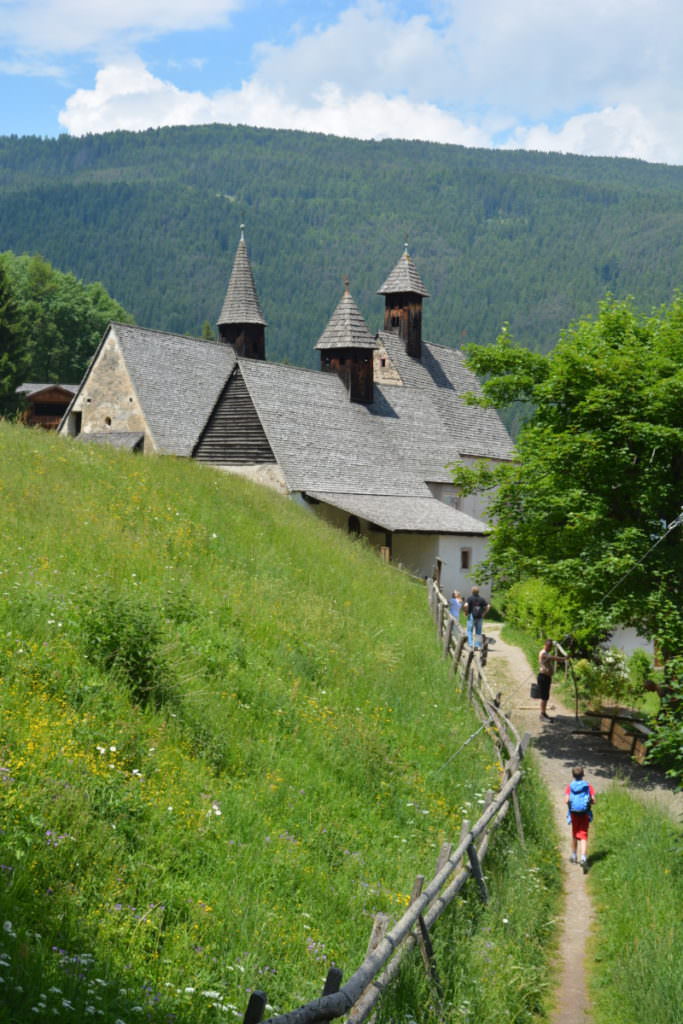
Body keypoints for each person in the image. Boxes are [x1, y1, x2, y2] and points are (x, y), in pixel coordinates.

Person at [565, 766, 595, 872]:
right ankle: (583, 858)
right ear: (583, 775)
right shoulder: (588, 786)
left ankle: (573, 856)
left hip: (574, 814)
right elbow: (593, 800)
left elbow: (566, 800)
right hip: (584, 813)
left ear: (573, 775)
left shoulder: (570, 786)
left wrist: (571, 806)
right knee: (583, 835)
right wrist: (589, 802)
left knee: (574, 833)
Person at [537, 638, 563, 722]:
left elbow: (553, 658)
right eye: (548, 647)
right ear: (545, 645)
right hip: (543, 677)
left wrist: (563, 659)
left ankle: (544, 713)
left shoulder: (547, 653)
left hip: (547, 677)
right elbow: (550, 658)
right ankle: (542, 714)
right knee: (544, 697)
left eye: (550, 647)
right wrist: (563, 658)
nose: (549, 648)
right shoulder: (543, 653)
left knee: (546, 696)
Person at [465, 585, 489, 650]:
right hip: (480, 617)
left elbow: (466, 605)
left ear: (472, 591)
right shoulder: (482, 599)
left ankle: (470, 644)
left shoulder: (470, 598)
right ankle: (477, 645)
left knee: (469, 630)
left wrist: (466, 612)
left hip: (471, 616)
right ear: (478, 592)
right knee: (478, 631)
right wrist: (484, 613)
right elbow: (488, 606)